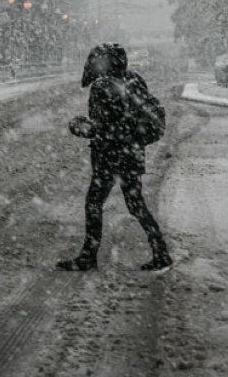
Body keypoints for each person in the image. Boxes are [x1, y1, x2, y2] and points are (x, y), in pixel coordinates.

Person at [59, 42, 172, 273]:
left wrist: (81, 127)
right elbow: (131, 118)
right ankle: (160, 251)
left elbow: (103, 126)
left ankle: (89, 256)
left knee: (94, 203)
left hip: (110, 155)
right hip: (132, 153)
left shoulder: (102, 86)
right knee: (136, 204)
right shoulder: (133, 79)